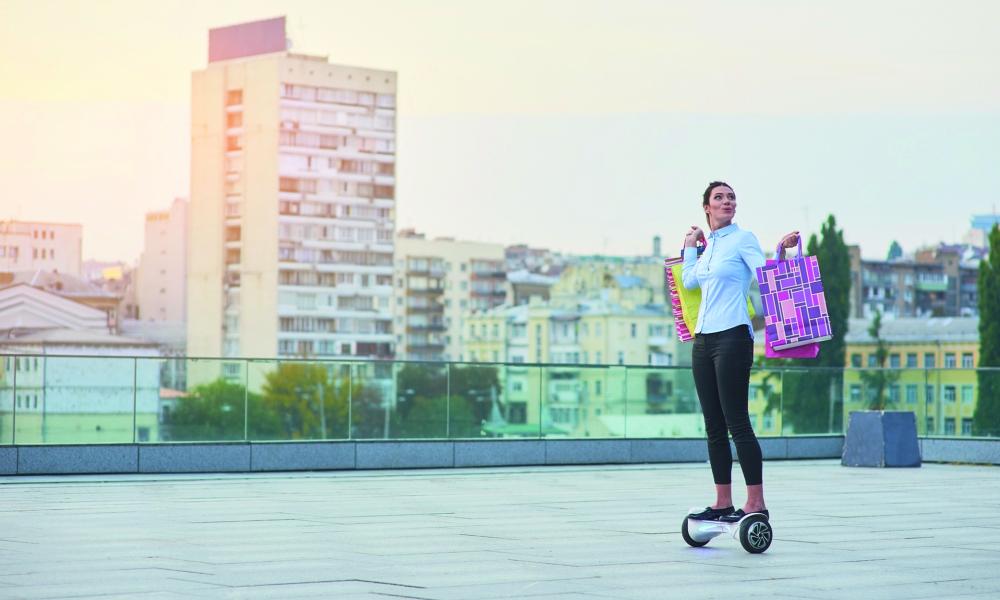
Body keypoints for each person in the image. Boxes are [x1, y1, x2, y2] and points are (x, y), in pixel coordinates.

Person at [681, 181, 798, 523]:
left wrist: (781, 249)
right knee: (713, 426)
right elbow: (689, 281)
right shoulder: (709, 248)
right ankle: (721, 502)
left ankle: (755, 502)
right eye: (719, 197)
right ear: (707, 207)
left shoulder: (743, 240)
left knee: (737, 423)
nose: (727, 201)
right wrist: (691, 246)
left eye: (731, 197)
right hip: (703, 341)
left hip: (733, 336)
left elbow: (766, 275)